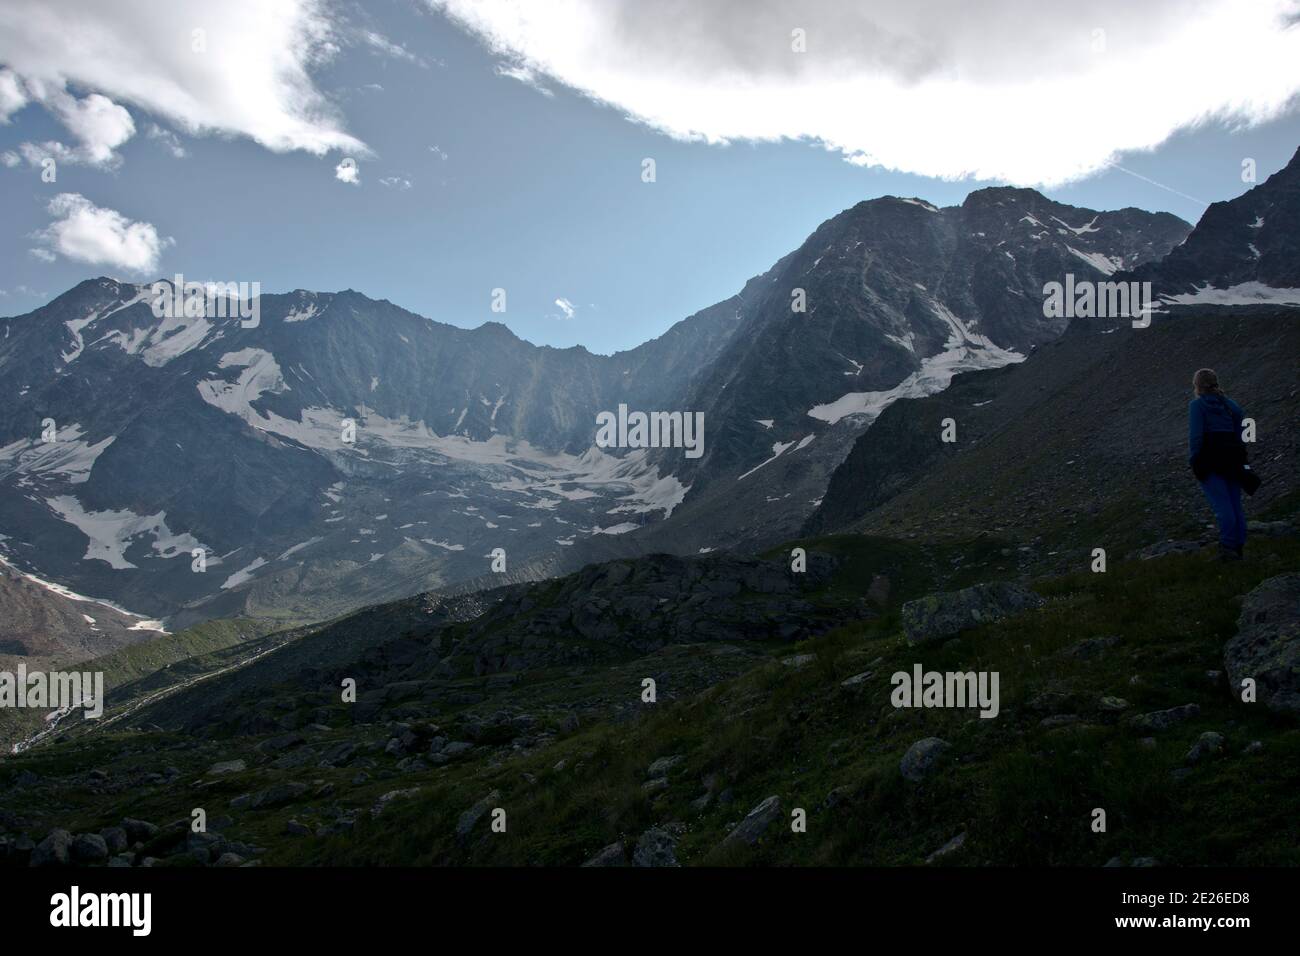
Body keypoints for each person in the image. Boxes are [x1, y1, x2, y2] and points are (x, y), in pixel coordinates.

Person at [1187, 368, 1247, 560]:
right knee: (1234, 504)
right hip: (1233, 460)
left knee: (1222, 506)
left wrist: (1195, 460)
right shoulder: (1231, 406)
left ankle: (1227, 548)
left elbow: (1196, 437)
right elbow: (1240, 430)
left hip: (1210, 460)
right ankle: (1238, 546)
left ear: (1197, 386)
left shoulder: (1198, 406)